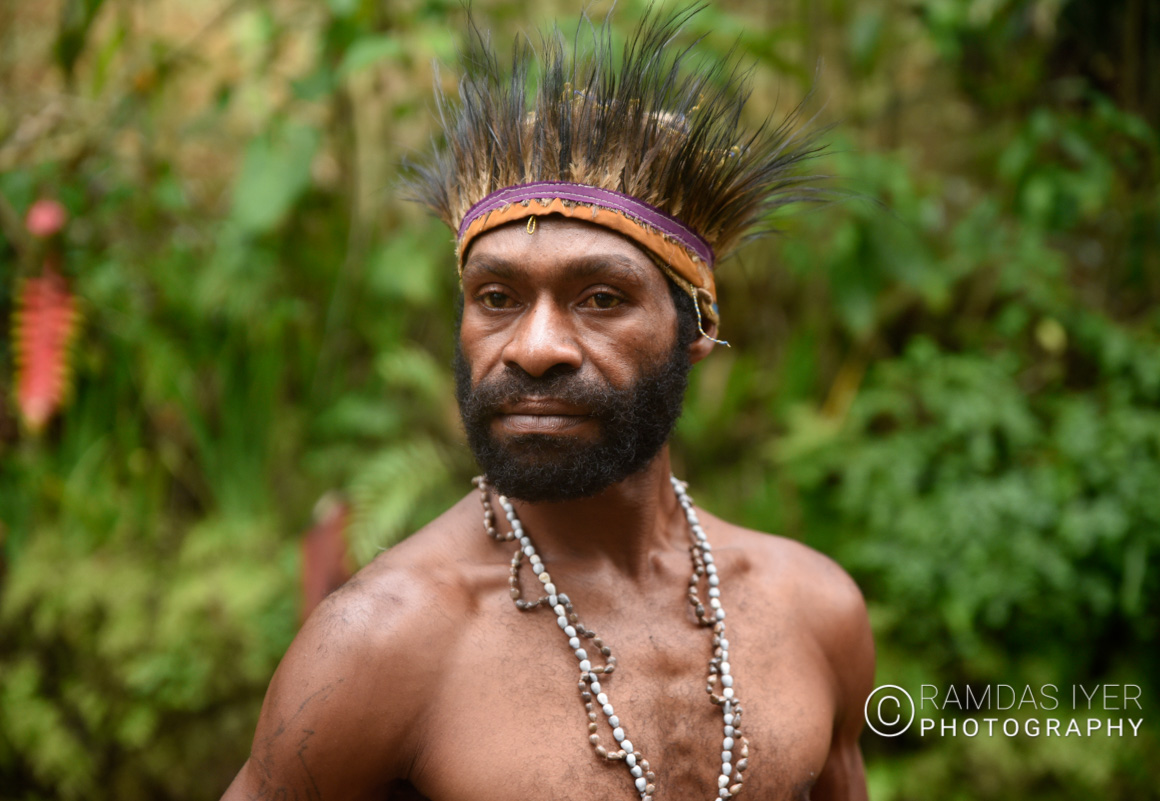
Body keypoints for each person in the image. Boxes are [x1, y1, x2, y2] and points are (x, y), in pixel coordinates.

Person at [222, 7, 874, 800]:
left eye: (600, 298)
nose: (533, 347)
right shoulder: (381, 645)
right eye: (496, 296)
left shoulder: (813, 611)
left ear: (697, 326)